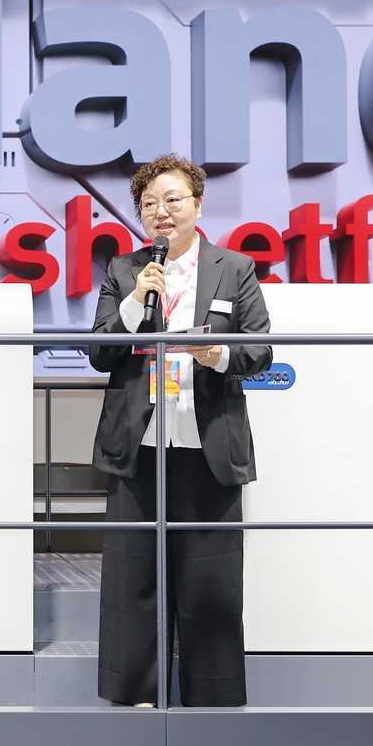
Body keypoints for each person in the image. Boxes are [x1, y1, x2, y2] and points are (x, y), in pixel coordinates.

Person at [89, 153, 271, 708]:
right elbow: (99, 352)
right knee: (132, 577)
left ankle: (210, 696)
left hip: (206, 441)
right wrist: (131, 304)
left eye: (172, 200)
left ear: (197, 204)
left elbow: (260, 349)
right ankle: (134, 692)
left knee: (210, 579)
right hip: (138, 444)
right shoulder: (125, 269)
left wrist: (218, 354)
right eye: (149, 204)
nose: (160, 212)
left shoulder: (234, 268)